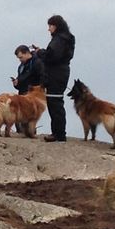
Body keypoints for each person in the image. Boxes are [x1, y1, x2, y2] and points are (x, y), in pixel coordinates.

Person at [41, 14, 76, 142]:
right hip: (61, 73)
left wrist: (40, 53)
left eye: (50, 26)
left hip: (56, 74)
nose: (49, 29)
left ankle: (59, 134)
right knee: (55, 102)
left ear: (56, 26)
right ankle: (57, 132)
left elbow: (52, 56)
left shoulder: (59, 40)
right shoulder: (66, 39)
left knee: (55, 103)